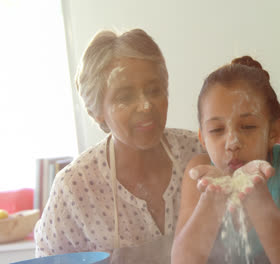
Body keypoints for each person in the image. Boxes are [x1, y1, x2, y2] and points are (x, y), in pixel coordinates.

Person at [34, 29, 204, 261]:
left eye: (154, 90)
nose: (146, 106)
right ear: (97, 112)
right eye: (125, 97)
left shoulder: (199, 150)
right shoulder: (75, 187)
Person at [171, 56, 280, 263]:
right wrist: (210, 201)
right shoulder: (199, 172)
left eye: (248, 127)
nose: (232, 142)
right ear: (203, 138)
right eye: (217, 130)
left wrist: (256, 195)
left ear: (273, 131)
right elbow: (182, 261)